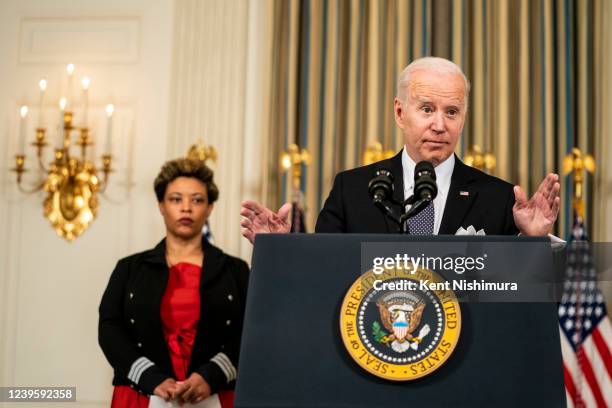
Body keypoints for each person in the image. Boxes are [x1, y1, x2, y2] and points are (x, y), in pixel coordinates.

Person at [240, 57, 560, 240]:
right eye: (426, 109)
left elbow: (517, 296)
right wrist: (277, 249)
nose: (439, 124)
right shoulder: (352, 190)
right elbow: (322, 278)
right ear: (399, 112)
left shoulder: (498, 198)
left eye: (451, 111)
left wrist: (533, 240)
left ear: (463, 118)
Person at [99, 158, 249, 407]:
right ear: (161, 205)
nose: (186, 208)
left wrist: (211, 375)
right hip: (141, 394)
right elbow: (109, 329)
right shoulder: (129, 269)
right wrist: (149, 377)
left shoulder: (235, 270)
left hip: (216, 394)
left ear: (210, 207)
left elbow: (249, 332)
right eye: (176, 199)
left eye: (197, 200)